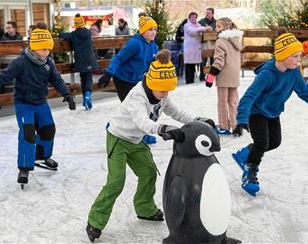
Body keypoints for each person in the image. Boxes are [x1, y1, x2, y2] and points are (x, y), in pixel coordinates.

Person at [86, 49, 216, 242]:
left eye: (167, 90)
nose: (165, 94)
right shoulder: (137, 96)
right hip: (118, 139)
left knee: (148, 173)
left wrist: (198, 120)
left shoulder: (162, 94)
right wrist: (164, 129)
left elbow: (176, 112)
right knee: (116, 182)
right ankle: (95, 221)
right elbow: (143, 122)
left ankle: (144, 208)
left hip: (135, 141)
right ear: (152, 83)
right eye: (162, 90)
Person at [231, 27, 308, 197]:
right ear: (283, 56)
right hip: (256, 113)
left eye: (299, 55)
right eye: (295, 56)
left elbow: (306, 92)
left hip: (273, 112)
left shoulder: (294, 72)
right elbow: (248, 97)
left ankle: (246, 154)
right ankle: (250, 173)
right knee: (262, 143)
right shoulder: (266, 74)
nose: (299, 59)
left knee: (275, 142)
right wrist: (242, 119)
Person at [0, 22, 76, 187]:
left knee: (48, 130)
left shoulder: (49, 63)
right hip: (24, 104)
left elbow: (56, 80)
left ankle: (43, 155)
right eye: (43, 49)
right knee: (28, 134)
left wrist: (67, 94)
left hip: (41, 103)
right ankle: (25, 167)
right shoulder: (21, 62)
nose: (46, 53)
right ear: (33, 47)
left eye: (48, 49)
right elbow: (2, 77)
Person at [97, 15, 158, 144]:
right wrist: (108, 74)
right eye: (150, 29)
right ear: (142, 31)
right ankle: (113, 127)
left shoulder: (153, 47)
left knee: (143, 107)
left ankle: (141, 134)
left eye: (154, 29)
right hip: (123, 79)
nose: (153, 32)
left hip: (138, 81)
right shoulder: (134, 44)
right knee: (132, 108)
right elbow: (119, 58)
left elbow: (151, 64)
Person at [206, 17, 243, 135]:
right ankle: (236, 125)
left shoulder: (221, 41)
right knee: (233, 102)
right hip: (234, 74)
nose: (216, 28)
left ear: (225, 28)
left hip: (224, 75)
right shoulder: (237, 40)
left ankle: (224, 126)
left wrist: (211, 76)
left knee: (222, 102)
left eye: (218, 26)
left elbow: (219, 61)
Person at [60, 14, 97, 110]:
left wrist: (60, 34)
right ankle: (88, 96)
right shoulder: (88, 32)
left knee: (83, 80)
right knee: (89, 79)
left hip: (80, 62)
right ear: (83, 23)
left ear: (76, 24)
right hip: (90, 59)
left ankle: (85, 99)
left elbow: (64, 35)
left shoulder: (74, 34)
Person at [183, 12, 212, 84]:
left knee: (195, 66)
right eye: (192, 17)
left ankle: (196, 81)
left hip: (197, 49)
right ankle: (189, 82)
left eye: (195, 17)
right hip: (189, 49)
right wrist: (204, 28)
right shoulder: (187, 25)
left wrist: (208, 28)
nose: (193, 18)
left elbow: (202, 31)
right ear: (189, 18)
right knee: (189, 67)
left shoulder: (198, 25)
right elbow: (191, 32)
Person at [198, 7, 217, 81]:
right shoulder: (201, 22)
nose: (207, 14)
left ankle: (211, 77)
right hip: (204, 43)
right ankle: (202, 77)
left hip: (213, 43)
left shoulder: (216, 22)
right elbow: (198, 31)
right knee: (203, 61)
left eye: (209, 13)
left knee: (213, 61)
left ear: (212, 14)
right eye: (206, 13)